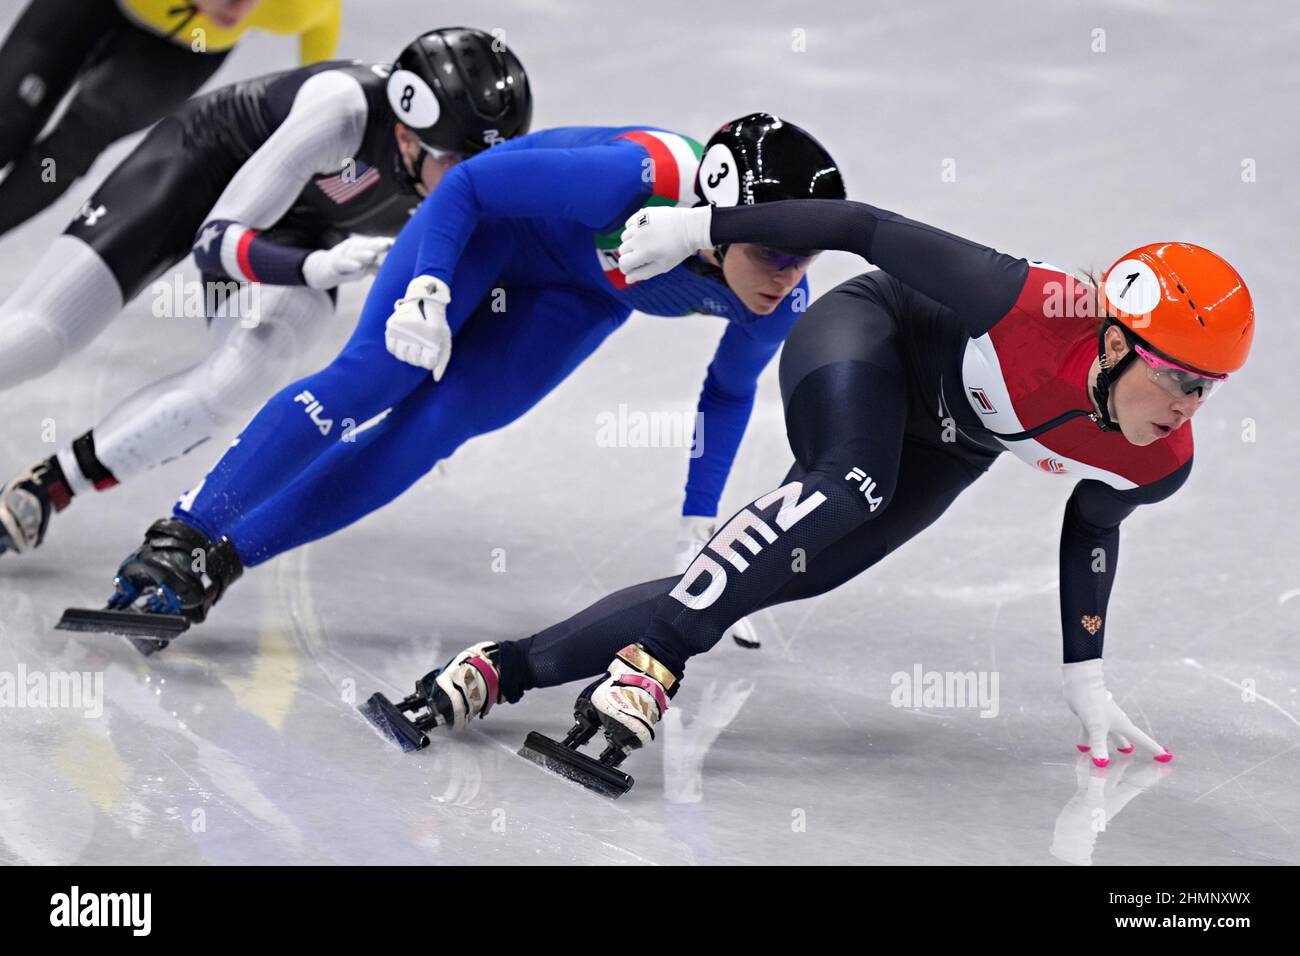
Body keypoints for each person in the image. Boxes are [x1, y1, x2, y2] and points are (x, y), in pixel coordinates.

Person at [367, 200, 1254, 782]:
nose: (1187, 406)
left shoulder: (1159, 460)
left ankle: (497, 669)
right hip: (870, 337)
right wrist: (702, 229)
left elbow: (1094, 522)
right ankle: (656, 661)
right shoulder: (1024, 302)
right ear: (1109, 343)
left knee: (797, 570)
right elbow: (862, 226)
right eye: (1177, 377)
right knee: (851, 486)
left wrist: (1084, 668)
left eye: (1207, 388)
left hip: (953, 438)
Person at [84, 114, 846, 642]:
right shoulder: (631, 178)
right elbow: (469, 187)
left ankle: (221, 562)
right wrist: (430, 287)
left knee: (434, 428)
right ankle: (184, 531)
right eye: (775, 254)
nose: (787, 277)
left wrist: (697, 517)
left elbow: (729, 389)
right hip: (487, 228)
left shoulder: (777, 302)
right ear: (717, 218)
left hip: (578, 294)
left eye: (805, 257)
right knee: (379, 374)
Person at [0, 28, 533, 556]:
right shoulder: (343, 110)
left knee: (247, 370)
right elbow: (216, 241)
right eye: (456, 163)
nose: (474, 181)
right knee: (39, 336)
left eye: (489, 163)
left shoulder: (461, 172)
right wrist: (317, 265)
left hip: (302, 227)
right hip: (199, 168)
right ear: (404, 137)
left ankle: (51, 485)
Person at [0, 0, 343, 237]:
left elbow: (320, 48)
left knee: (75, 143)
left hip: (185, 50)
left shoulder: (298, 7)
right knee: (7, 115)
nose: (241, 10)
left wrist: (310, 109)